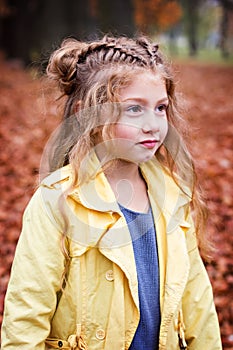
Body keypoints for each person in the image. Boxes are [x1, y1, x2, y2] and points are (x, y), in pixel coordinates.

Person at [1, 35, 222, 350]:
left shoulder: (173, 195)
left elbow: (196, 301)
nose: (153, 124)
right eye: (134, 109)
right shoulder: (58, 202)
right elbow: (25, 319)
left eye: (160, 108)